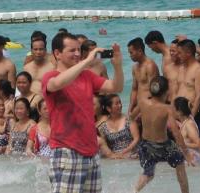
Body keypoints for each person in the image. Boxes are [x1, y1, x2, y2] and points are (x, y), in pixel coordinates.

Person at [42, 32, 124, 193]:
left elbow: (116, 87)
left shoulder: (86, 76)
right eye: (72, 51)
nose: (78, 54)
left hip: (91, 151)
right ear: (57, 54)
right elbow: (57, 84)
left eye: (79, 50)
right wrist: (87, 61)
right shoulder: (50, 76)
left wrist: (118, 66)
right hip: (66, 150)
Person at [130, 76, 192, 193]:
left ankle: (134, 190)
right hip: (164, 146)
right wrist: (187, 154)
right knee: (180, 166)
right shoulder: (167, 108)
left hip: (146, 145)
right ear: (167, 92)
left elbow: (131, 117)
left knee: (148, 173)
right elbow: (176, 133)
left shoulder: (143, 102)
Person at [176, 39, 200, 124]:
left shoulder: (199, 70)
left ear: (188, 53)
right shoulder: (181, 68)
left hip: (191, 114)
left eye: (179, 53)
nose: (177, 55)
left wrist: (190, 119)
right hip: (178, 113)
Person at [98, 94, 139, 159]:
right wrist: (113, 155)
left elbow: (136, 139)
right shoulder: (103, 127)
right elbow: (104, 145)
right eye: (116, 104)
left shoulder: (129, 120)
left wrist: (123, 152)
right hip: (114, 157)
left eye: (120, 102)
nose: (120, 105)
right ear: (108, 108)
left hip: (132, 154)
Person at [127, 37, 160, 117]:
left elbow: (154, 91)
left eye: (131, 53)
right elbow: (134, 89)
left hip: (149, 106)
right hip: (139, 106)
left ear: (140, 51)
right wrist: (130, 107)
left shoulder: (150, 66)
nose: (130, 56)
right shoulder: (135, 67)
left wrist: (141, 109)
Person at [174, 96, 200, 165]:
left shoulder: (189, 125)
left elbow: (199, 144)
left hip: (193, 159)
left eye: (173, 109)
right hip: (189, 159)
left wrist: (183, 144)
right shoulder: (186, 122)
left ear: (179, 111)